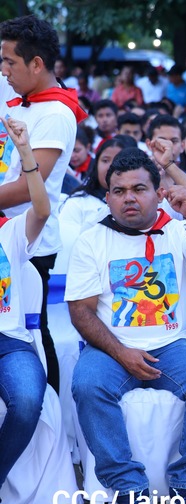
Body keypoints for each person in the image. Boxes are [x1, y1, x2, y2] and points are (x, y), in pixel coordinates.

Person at [67, 148, 186, 504]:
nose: (129, 198)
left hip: (173, 343)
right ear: (107, 197)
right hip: (112, 347)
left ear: (159, 193)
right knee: (87, 385)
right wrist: (121, 352)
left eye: (139, 189)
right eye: (119, 191)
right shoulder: (92, 240)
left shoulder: (178, 228)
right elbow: (81, 312)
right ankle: (126, 487)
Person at [0, 14, 88, 394]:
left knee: (33, 330)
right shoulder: (24, 102)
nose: (3, 71)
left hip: (30, 239)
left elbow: (26, 188)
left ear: (36, 64)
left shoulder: (55, 113)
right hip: (6, 231)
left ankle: (47, 409)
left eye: (9, 62)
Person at [0, 117, 51, 504]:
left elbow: (42, 209)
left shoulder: (11, 231)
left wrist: (26, 154)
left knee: (28, 399)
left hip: (9, 340)